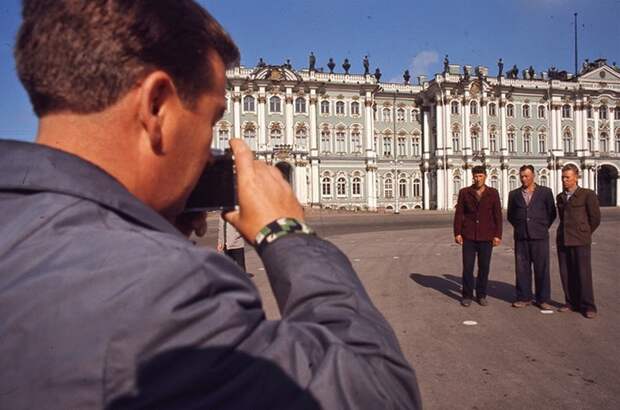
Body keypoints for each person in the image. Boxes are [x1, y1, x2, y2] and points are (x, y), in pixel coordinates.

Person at [0, 1, 421, 409]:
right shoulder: (172, 288)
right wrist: (286, 232)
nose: (211, 151)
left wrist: (149, 222)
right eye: (213, 119)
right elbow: (376, 394)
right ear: (157, 105)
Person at [507, 165, 557, 309]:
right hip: (522, 236)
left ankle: (543, 299)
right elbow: (511, 215)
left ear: (533, 176)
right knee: (522, 269)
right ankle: (524, 297)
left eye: (526, 176)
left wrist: (541, 226)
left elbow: (551, 213)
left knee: (542, 268)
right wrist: (521, 226)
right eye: (521, 176)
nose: (523, 179)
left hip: (540, 236)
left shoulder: (545, 192)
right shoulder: (514, 194)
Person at [556, 164, 601, 319]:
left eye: (567, 177)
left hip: (580, 239)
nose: (564, 180)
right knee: (566, 272)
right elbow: (562, 217)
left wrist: (585, 231)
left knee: (583, 273)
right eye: (563, 177)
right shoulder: (560, 197)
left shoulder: (587, 194)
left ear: (576, 177)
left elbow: (595, 218)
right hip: (563, 239)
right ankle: (570, 302)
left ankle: (588, 306)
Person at [453, 166, 503, 307]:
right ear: (472, 177)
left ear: (485, 177)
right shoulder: (465, 193)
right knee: (468, 267)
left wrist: (498, 235)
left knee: (484, 267)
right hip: (469, 236)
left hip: (486, 237)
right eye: (475, 176)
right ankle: (467, 295)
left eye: (480, 176)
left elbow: (497, 216)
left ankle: (481, 295)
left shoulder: (493, 193)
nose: (478, 178)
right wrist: (457, 233)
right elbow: (459, 214)